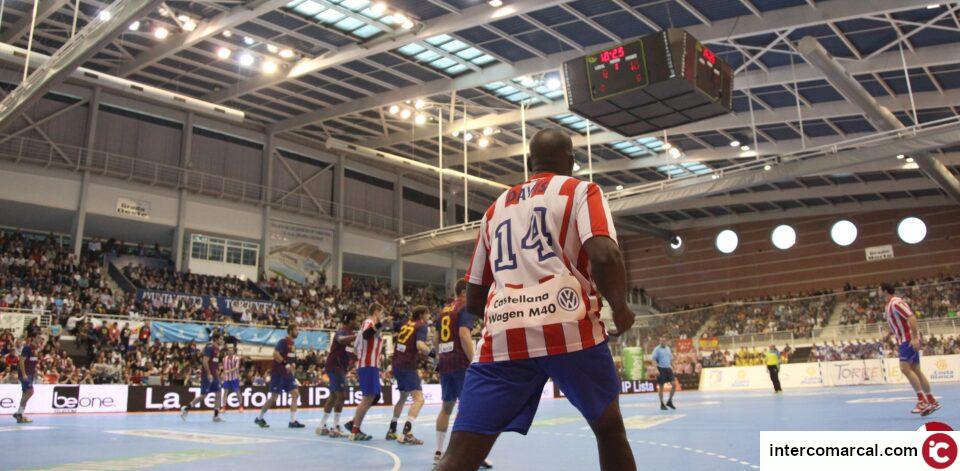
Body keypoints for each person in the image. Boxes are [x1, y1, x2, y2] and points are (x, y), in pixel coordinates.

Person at [437, 127, 636, 471]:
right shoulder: (581, 191)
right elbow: (605, 255)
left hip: (503, 340)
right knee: (608, 430)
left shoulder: (494, 209)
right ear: (571, 161)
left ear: (530, 163)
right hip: (571, 331)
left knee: (459, 457)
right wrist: (619, 307)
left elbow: (473, 297)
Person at [434, 280, 492, 468]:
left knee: (446, 407)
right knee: (469, 409)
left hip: (445, 363)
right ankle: (471, 454)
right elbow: (464, 335)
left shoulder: (444, 310)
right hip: (460, 362)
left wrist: (440, 357)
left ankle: (438, 452)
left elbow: (436, 339)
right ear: (464, 292)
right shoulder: (465, 308)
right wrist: (475, 359)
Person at [881, 283, 940, 416]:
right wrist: (889, 334)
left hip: (907, 340)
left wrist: (914, 338)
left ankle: (922, 400)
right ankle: (931, 400)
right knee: (916, 370)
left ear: (884, 291)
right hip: (904, 338)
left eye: (879, 290)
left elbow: (911, 317)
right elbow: (897, 324)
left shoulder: (896, 302)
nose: (878, 292)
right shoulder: (888, 305)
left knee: (904, 368)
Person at [386, 305, 432, 445]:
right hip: (407, 365)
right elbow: (419, 345)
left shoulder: (406, 322)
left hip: (397, 363)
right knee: (419, 399)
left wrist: (388, 319)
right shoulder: (421, 326)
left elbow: (390, 324)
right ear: (422, 315)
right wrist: (434, 355)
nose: (429, 317)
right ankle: (406, 433)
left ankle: (392, 429)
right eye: (428, 314)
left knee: (403, 397)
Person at [344, 303, 385, 441]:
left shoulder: (368, 325)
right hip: (368, 365)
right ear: (376, 311)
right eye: (381, 313)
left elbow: (356, 347)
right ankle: (355, 431)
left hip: (369, 365)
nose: (382, 316)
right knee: (368, 397)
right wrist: (381, 324)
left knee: (374, 397)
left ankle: (353, 423)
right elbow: (367, 335)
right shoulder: (369, 322)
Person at [255, 324, 305, 428]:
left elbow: (291, 359)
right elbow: (275, 354)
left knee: (295, 394)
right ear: (290, 330)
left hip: (288, 375)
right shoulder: (283, 342)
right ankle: (259, 418)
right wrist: (285, 364)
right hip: (278, 373)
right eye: (296, 329)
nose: (298, 331)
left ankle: (292, 421)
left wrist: (293, 366)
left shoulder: (293, 344)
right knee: (274, 398)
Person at [317, 313, 358, 438]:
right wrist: (356, 336)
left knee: (334, 396)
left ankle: (321, 426)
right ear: (350, 320)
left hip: (340, 368)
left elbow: (352, 354)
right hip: (335, 366)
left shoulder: (351, 336)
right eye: (355, 320)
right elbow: (340, 340)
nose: (357, 322)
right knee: (342, 395)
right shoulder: (342, 331)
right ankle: (335, 427)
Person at [181, 331, 225, 422]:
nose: (222, 340)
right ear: (216, 339)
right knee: (203, 395)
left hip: (214, 375)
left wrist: (217, 376)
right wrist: (208, 373)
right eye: (221, 338)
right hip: (207, 375)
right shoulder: (209, 347)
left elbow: (215, 364)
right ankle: (186, 408)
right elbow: (205, 361)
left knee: (219, 392)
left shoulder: (218, 349)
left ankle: (216, 416)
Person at [14, 330, 39, 424]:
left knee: (25, 393)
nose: (41, 339)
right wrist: (24, 374)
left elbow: (32, 362)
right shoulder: (27, 348)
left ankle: (19, 414)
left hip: (30, 374)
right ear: (34, 338)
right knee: (30, 392)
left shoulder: (36, 349)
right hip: (25, 374)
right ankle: (19, 413)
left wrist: (35, 372)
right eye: (39, 337)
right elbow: (21, 361)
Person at [651, 337, 678, 410]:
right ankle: (662, 404)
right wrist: (656, 369)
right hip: (661, 369)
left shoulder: (668, 348)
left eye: (664, 341)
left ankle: (669, 401)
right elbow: (653, 359)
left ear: (666, 341)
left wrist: (673, 365)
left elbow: (670, 358)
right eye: (662, 340)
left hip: (668, 369)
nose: (663, 342)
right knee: (661, 387)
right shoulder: (657, 349)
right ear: (659, 341)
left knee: (674, 385)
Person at [222, 343, 243, 412]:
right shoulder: (224, 359)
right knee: (225, 392)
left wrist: (228, 371)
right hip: (227, 378)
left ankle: (240, 406)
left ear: (233, 352)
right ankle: (224, 407)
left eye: (231, 351)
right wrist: (223, 375)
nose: (230, 352)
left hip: (234, 378)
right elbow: (224, 368)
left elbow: (236, 367)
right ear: (227, 352)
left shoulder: (236, 358)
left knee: (237, 392)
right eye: (229, 351)